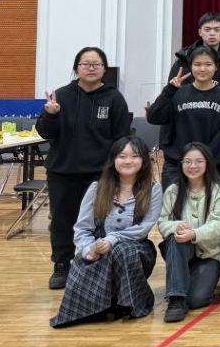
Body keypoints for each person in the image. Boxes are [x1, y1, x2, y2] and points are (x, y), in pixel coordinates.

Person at [38, 47, 133, 290]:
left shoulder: (114, 98)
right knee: (62, 220)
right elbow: (45, 133)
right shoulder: (60, 95)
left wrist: (116, 170)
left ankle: (96, 263)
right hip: (63, 171)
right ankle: (62, 264)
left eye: (96, 64)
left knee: (99, 220)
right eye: (85, 64)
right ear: (76, 68)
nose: (91, 68)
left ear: (104, 69)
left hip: (100, 173)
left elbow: (121, 138)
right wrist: (50, 115)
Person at [50, 137, 163, 327]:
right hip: (99, 248)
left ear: (144, 160)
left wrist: (112, 239)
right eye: (122, 156)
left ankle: (134, 303)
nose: (128, 161)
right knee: (82, 265)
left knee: (122, 251)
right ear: (113, 160)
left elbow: (143, 229)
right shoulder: (97, 188)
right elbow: (82, 228)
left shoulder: (154, 190)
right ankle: (109, 302)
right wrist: (88, 250)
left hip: (136, 251)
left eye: (134, 156)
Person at [157, 142, 220, 322]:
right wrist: (177, 226)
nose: (193, 166)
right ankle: (175, 300)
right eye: (187, 161)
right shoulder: (173, 191)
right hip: (182, 250)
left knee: (195, 300)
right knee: (175, 239)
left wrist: (194, 234)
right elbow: (162, 222)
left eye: (199, 161)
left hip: (211, 254)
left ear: (208, 163)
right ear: (181, 164)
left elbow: (219, 225)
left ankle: (187, 281)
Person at [146, 46, 220, 188]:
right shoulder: (178, 93)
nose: (202, 69)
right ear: (191, 66)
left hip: (210, 166)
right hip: (177, 165)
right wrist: (169, 90)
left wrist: (202, 161)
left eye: (208, 64)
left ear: (216, 67)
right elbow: (154, 117)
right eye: (197, 64)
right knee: (174, 202)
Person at [165, 12, 220, 96]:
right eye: (207, 29)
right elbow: (169, 95)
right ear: (200, 32)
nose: (212, 33)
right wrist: (172, 89)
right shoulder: (184, 59)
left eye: (217, 29)